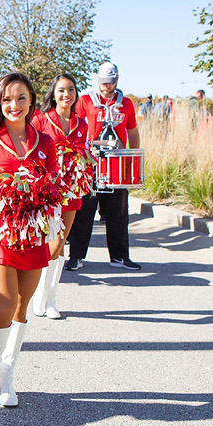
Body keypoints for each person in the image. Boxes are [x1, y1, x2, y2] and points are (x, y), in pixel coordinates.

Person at [0, 72, 60, 408]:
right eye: (6, 99)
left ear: (31, 99)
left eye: (21, 98)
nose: (14, 105)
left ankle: (8, 374)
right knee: (4, 304)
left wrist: (41, 198)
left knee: (22, 307)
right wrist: (2, 199)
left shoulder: (45, 143)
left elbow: (55, 185)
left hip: (32, 236)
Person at [67, 62, 141, 272]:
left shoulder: (125, 103)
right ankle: (77, 256)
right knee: (84, 212)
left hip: (116, 165)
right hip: (91, 165)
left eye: (111, 82)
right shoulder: (86, 101)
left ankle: (119, 256)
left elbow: (132, 131)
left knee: (118, 213)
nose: (107, 87)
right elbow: (76, 127)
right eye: (104, 82)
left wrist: (132, 160)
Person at [30, 74, 88, 319]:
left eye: (71, 90)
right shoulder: (42, 120)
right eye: (62, 90)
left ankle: (50, 299)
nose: (67, 95)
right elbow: (31, 149)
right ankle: (39, 294)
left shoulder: (81, 124)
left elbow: (83, 153)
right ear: (53, 94)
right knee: (50, 240)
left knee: (62, 240)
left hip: (72, 188)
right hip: (48, 188)